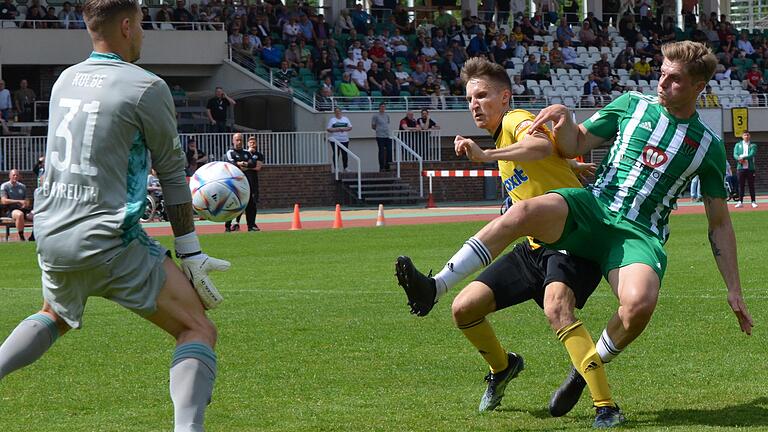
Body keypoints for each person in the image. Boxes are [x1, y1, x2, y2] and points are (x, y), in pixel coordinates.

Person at [395, 41, 753, 417]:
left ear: (699, 87)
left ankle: (588, 366)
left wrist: (734, 290)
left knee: (639, 304)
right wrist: (564, 118)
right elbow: (575, 143)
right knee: (523, 212)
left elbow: (719, 223)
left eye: (674, 79)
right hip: (593, 207)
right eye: (661, 74)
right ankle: (435, 288)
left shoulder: (708, 147)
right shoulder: (632, 104)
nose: (662, 83)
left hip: (638, 234)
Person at [0, 2, 230, 431]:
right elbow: (174, 175)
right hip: (109, 240)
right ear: (126, 26)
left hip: (52, 233)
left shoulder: (65, 80)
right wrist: (191, 252)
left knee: (55, 314)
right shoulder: (146, 87)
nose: (143, 33)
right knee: (197, 328)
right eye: (141, 24)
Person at [395, 57, 622, 427]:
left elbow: (540, 149)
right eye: (469, 98)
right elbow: (548, 159)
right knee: (464, 309)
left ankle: (607, 407)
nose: (474, 104)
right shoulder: (504, 135)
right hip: (533, 246)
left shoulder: (515, 120)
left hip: (569, 240)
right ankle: (503, 367)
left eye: (482, 95)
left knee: (557, 310)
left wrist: (487, 155)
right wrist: (572, 168)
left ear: (505, 98)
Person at [224, 133, 250, 232]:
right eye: (237, 140)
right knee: (231, 203)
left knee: (241, 203)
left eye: (240, 140)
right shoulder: (230, 152)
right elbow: (231, 164)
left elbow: (251, 164)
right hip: (232, 182)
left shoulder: (246, 152)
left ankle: (237, 223)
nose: (239, 142)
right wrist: (241, 164)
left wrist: (241, 164)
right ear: (233, 141)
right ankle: (227, 225)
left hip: (243, 182)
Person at [1, 169, 34, 241]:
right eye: (13, 175)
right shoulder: (5, 186)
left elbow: (26, 199)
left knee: (37, 215)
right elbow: (3, 201)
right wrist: (18, 201)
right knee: (19, 214)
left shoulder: (22, 186)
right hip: (11, 210)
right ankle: (21, 236)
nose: (15, 176)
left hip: (23, 209)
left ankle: (32, 237)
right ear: (9, 176)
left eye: (17, 175)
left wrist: (26, 203)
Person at [243, 136, 264, 231]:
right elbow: (240, 166)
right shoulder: (244, 154)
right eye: (250, 142)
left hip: (253, 182)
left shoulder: (258, 155)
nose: (252, 144)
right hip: (243, 182)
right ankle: (236, 224)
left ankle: (252, 224)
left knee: (253, 204)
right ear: (247, 144)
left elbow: (258, 167)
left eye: (254, 142)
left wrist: (247, 167)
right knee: (242, 203)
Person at [733, 131, 757, 208]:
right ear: (742, 136)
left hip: (750, 169)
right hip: (740, 168)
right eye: (744, 135)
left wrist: (743, 158)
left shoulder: (753, 145)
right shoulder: (738, 145)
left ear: (749, 136)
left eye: (747, 135)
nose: (746, 136)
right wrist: (738, 158)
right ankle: (740, 202)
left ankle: (753, 201)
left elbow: (752, 154)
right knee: (741, 185)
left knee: (751, 185)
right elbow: (735, 154)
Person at [326, 107, 352, 172]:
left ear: (341, 112)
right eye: (336, 112)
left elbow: (350, 127)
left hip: (344, 140)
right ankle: (336, 168)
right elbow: (328, 129)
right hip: (335, 140)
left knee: (345, 154)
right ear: (334, 113)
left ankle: (345, 167)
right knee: (336, 154)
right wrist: (337, 129)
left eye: (339, 111)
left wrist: (343, 129)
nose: (338, 113)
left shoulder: (345, 119)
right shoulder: (332, 120)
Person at [371, 103, 392, 172]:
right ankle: (381, 167)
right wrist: (378, 130)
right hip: (380, 136)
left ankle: (388, 166)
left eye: (384, 107)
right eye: (381, 107)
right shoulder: (375, 116)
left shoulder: (387, 115)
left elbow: (388, 123)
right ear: (379, 107)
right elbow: (373, 126)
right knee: (381, 151)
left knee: (389, 151)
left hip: (387, 135)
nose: (383, 108)